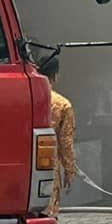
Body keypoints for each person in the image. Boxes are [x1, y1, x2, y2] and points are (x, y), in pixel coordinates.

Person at [38, 52, 76, 215]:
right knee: (48, 211)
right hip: (48, 164)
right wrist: (69, 170)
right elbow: (66, 141)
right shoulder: (62, 104)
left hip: (23, 164)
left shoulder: (26, 97)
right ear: (56, 75)